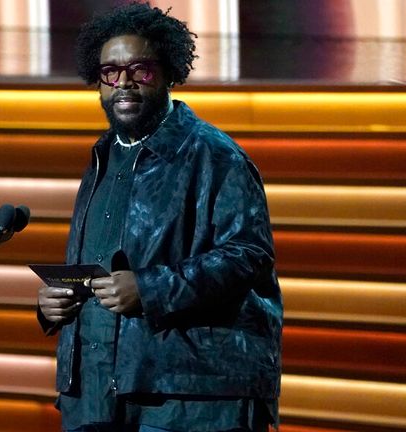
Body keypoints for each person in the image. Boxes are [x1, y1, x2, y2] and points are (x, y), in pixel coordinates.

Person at [37, 3, 283, 431]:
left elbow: (249, 254)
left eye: (140, 69)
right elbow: (100, 265)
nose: (123, 83)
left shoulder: (212, 154)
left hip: (188, 397)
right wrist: (57, 303)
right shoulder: (103, 156)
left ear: (168, 72)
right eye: (110, 72)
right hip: (96, 394)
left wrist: (150, 289)